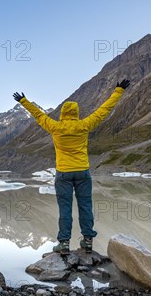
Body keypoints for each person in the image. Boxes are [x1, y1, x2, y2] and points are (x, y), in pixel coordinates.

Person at [12, 79, 130, 255]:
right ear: (75, 112)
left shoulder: (55, 127)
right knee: (85, 206)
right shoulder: (84, 125)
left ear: (63, 113)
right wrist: (118, 91)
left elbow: (38, 115)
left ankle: (64, 243)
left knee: (65, 208)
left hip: (63, 174)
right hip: (82, 172)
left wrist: (23, 101)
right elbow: (103, 111)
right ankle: (88, 241)